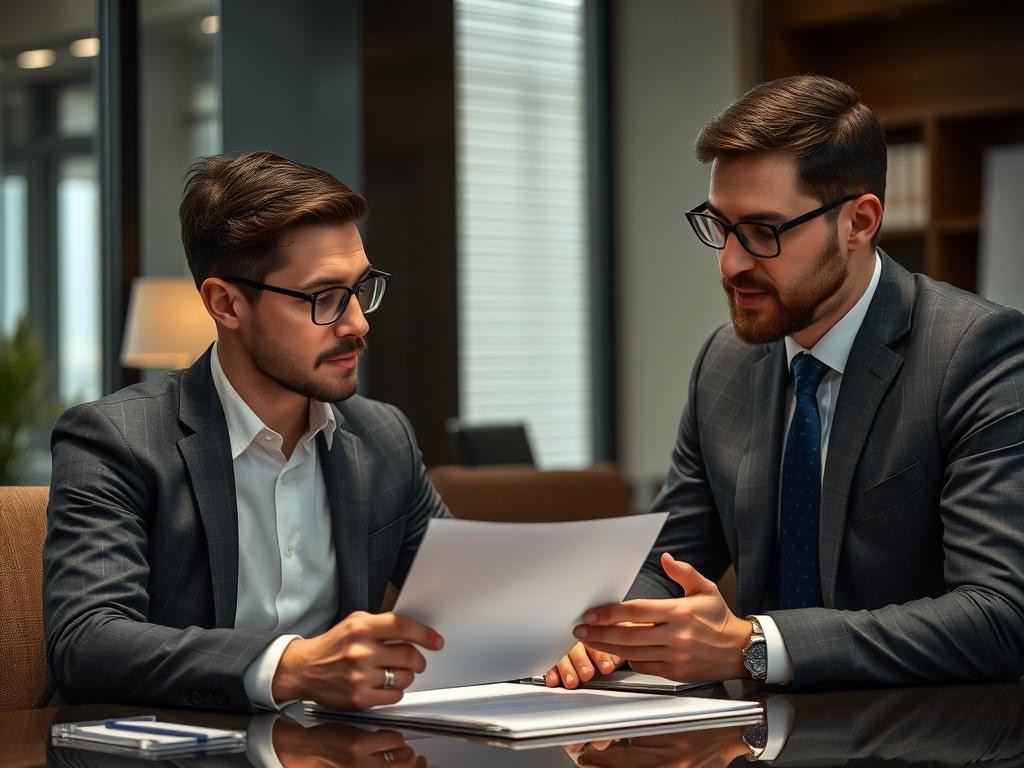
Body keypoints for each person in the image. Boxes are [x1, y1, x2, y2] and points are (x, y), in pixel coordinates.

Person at [549, 74, 1024, 689]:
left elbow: (1000, 617)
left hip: (922, 740)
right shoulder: (724, 362)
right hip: (756, 740)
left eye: (763, 232)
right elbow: (669, 559)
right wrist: (606, 634)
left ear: (859, 221)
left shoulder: (976, 355)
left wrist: (755, 645)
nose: (730, 262)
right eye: (720, 226)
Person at [44, 151, 447, 713]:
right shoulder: (116, 438)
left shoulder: (384, 436)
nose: (358, 323)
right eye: (324, 298)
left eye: (360, 289)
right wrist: (289, 666)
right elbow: (87, 642)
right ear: (226, 303)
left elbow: (466, 596)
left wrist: (569, 636)